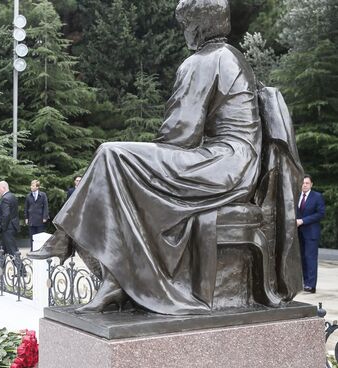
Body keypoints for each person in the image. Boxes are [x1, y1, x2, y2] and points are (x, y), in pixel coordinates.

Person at [29, 0, 299, 315]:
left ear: (199, 25)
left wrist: (151, 155)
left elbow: (180, 134)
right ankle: (110, 277)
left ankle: (69, 240)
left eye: (186, 24)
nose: (185, 32)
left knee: (113, 154)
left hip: (223, 164)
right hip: (239, 166)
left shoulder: (203, 61)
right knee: (119, 161)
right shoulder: (234, 57)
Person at [296, 175, 326, 293]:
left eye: (307, 183)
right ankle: (304, 282)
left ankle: (311, 285)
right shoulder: (296, 196)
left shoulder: (317, 197)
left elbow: (320, 214)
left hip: (311, 233)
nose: (304, 185)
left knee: (310, 258)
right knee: (302, 258)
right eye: (303, 183)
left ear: (311, 184)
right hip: (298, 233)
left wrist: (303, 221)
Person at [0, 181, 20, 257]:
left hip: (7, 228)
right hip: (11, 227)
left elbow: (6, 214)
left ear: (3, 188)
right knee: (2, 250)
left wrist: (3, 227)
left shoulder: (5, 198)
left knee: (13, 251)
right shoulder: (12, 196)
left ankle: (21, 269)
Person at [24, 180, 50, 248]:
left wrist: (45, 217)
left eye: (33, 186)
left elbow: (45, 206)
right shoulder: (28, 196)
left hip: (40, 219)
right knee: (32, 236)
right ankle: (32, 249)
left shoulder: (43, 195)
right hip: (31, 219)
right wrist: (26, 218)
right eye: (31, 185)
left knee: (40, 236)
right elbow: (26, 207)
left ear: (37, 187)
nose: (31, 187)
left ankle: (39, 249)